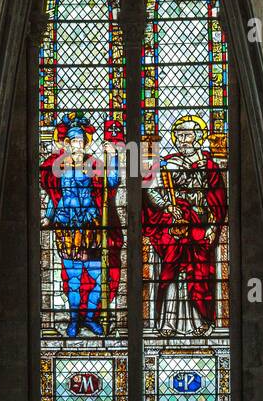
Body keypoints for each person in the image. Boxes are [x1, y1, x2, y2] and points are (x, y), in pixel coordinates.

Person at [142, 115, 227, 338]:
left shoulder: (209, 166)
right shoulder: (168, 164)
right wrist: (167, 207)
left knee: (197, 273)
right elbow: (151, 189)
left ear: (198, 138)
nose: (182, 140)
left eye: (187, 135)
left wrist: (213, 227)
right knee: (172, 272)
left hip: (199, 225)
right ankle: (168, 322)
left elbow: (218, 201)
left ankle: (199, 320)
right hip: (175, 226)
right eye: (179, 136)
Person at [39, 112, 122, 338]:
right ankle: (74, 319)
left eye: (80, 141)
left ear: (85, 143)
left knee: (95, 276)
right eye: (72, 141)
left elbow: (112, 181)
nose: (76, 144)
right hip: (67, 226)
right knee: (73, 278)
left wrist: (113, 157)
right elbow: (54, 195)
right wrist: (48, 216)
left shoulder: (94, 163)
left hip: (91, 227)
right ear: (67, 143)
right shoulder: (59, 166)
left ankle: (90, 317)